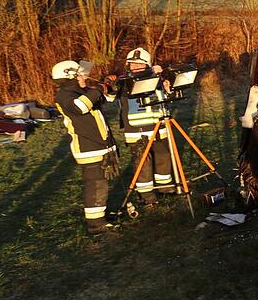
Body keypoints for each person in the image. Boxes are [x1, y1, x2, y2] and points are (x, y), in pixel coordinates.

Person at [52, 59, 118, 233]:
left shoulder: (82, 91)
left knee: (101, 183)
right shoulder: (65, 96)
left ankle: (100, 215)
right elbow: (80, 106)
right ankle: (96, 224)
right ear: (71, 77)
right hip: (87, 147)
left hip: (100, 144)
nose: (84, 77)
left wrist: (110, 85)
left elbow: (108, 98)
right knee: (96, 185)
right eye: (80, 74)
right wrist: (98, 89)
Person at [114, 47, 174, 206]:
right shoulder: (124, 81)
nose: (135, 67)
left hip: (159, 126)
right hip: (137, 130)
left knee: (163, 157)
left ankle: (165, 188)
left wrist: (166, 85)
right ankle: (146, 196)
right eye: (132, 64)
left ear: (147, 65)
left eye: (139, 65)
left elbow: (165, 98)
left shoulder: (156, 78)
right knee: (143, 163)